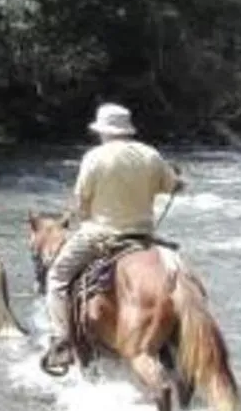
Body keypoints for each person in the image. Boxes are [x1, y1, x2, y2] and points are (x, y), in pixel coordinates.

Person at [40, 102, 182, 374]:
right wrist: (177, 180)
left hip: (100, 235)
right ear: (127, 130)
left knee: (56, 278)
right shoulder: (150, 154)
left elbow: (82, 203)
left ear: (103, 131)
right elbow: (171, 186)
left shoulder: (94, 157)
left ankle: (63, 341)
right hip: (142, 236)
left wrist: (79, 216)